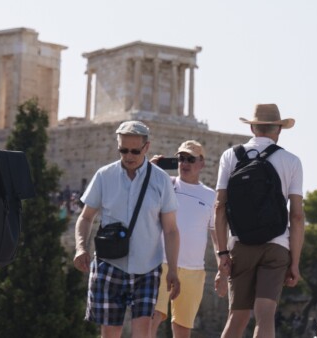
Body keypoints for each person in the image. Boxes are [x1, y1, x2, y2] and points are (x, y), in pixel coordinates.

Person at [73, 121, 180, 338]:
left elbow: (170, 230)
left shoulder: (160, 180)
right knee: (110, 333)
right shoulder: (104, 176)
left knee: (143, 332)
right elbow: (85, 217)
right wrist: (80, 248)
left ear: (146, 147)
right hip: (110, 265)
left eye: (134, 151)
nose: (128, 156)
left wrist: (174, 270)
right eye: (123, 150)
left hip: (147, 268)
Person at [212, 104, 304, 338]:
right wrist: (294, 262)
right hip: (276, 246)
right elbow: (296, 215)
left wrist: (223, 253)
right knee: (265, 315)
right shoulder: (291, 161)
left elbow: (219, 207)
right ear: (279, 130)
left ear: (252, 127)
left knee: (237, 317)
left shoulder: (231, 156)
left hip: (241, 243)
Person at [151, 140, 220, 338]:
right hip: (161, 263)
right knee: (152, 318)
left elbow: (216, 234)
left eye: (190, 159)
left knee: (183, 328)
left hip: (194, 269)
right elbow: (136, 187)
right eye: (181, 158)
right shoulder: (165, 184)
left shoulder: (210, 195)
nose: (185, 163)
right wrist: (149, 169)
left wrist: (221, 268)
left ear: (201, 163)